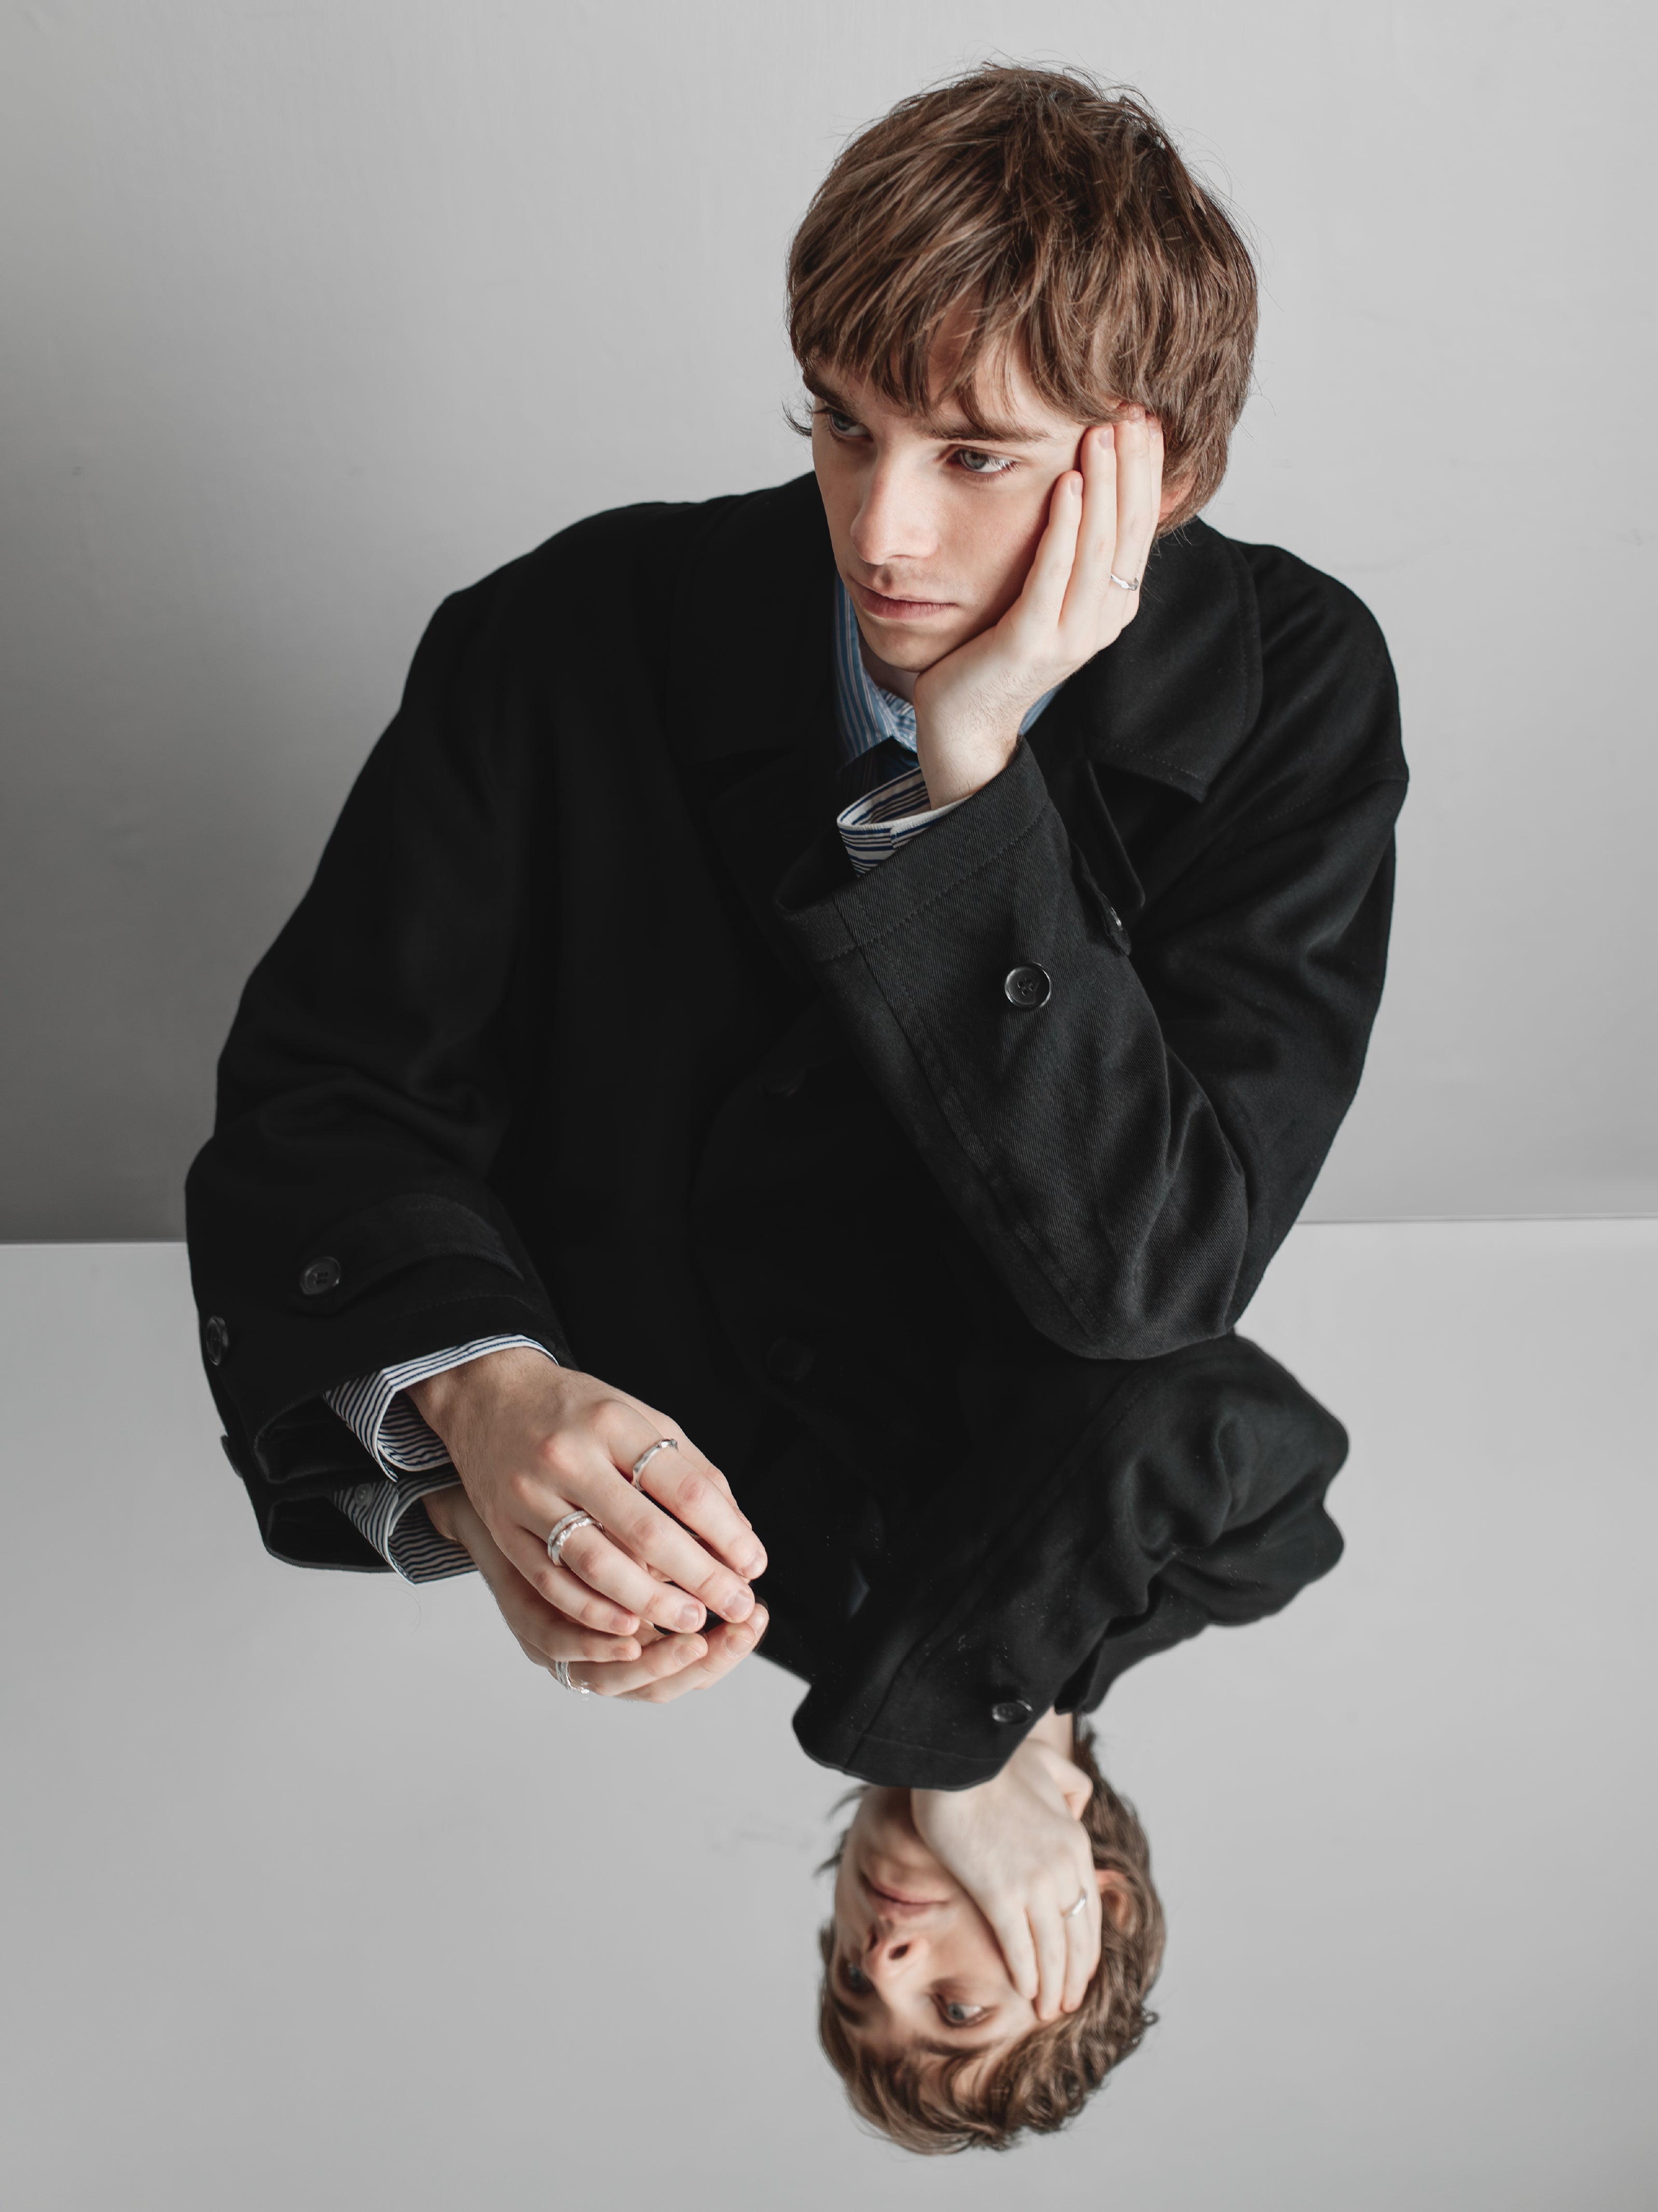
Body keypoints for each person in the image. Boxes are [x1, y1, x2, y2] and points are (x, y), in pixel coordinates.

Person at [185, 65, 1404, 2148]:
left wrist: (972, 780)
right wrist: (485, 1397)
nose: (881, 525)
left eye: (976, 454)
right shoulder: (562, 636)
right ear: (1082, 1904)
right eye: (840, 421)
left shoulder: (1290, 698)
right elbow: (319, 1096)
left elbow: (1146, 1267)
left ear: (1158, 469)